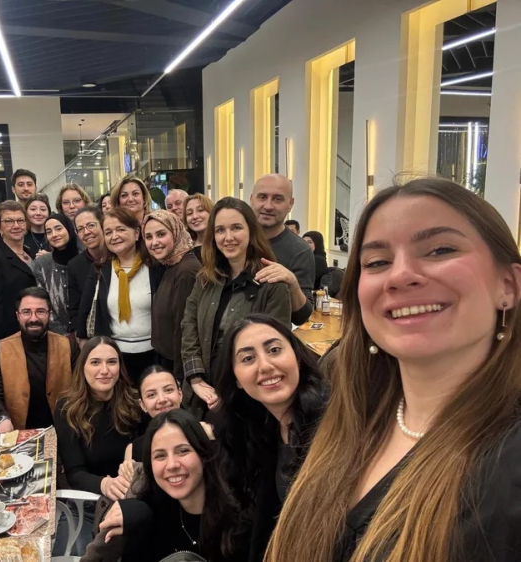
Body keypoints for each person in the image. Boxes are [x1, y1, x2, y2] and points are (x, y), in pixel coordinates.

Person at [267, 178, 521, 562]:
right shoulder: (351, 417)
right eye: (377, 262)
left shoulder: (508, 461)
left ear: (508, 285)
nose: (401, 275)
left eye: (440, 250)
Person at [216, 314, 327, 562]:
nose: (265, 366)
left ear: (297, 357)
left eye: (274, 350)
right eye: (248, 358)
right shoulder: (261, 431)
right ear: (237, 380)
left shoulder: (332, 423)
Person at [181, 197, 291, 418]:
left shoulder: (272, 284)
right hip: (203, 391)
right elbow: (189, 325)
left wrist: (233, 391)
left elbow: (274, 348)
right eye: (220, 230)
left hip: (249, 398)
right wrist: (195, 377)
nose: (228, 237)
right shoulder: (205, 278)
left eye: (236, 228)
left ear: (251, 232)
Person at [98, 409, 245, 562]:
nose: (172, 465)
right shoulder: (149, 516)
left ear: (203, 454)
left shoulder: (241, 515)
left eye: (183, 451)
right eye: (160, 455)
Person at [77, 208, 161, 380]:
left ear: (136, 233)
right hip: (115, 358)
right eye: (108, 232)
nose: (114, 236)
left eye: (120, 229)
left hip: (154, 355)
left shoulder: (155, 266)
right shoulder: (100, 269)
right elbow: (84, 309)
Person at [54, 336, 143, 498]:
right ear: (82, 367)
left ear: (120, 366)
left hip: (136, 489)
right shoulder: (66, 409)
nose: (104, 370)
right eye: (95, 362)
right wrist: (105, 484)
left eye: (111, 362)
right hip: (94, 495)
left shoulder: (136, 402)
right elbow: (74, 474)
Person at [0, 287, 79, 433]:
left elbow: (81, 389)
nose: (33, 318)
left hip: (64, 431)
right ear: (18, 315)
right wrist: (2, 419)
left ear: (49, 314)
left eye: (40, 311)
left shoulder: (69, 345)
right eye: (26, 312)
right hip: (17, 433)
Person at [250, 174, 315, 325]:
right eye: (262, 197)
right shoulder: (236, 240)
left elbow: (302, 317)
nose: (268, 206)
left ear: (290, 204)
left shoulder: (300, 251)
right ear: (252, 199)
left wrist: (292, 282)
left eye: (277, 199)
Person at [143, 210, 200, 381]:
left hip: (177, 368)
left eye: (161, 234)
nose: (154, 242)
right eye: (148, 237)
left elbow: (185, 329)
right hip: (165, 360)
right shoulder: (171, 265)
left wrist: (180, 378)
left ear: (176, 232)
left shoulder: (187, 271)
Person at [0, 201, 36, 345]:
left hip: (35, 330)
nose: (16, 226)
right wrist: (5, 342)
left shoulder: (31, 254)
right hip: (11, 337)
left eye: (20, 220)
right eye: (9, 221)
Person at [31, 213, 79, 334]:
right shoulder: (41, 264)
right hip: (54, 334)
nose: (54, 234)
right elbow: (42, 303)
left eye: (58, 228)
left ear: (69, 229)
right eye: (49, 232)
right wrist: (62, 335)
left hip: (85, 333)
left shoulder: (84, 259)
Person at [68, 207, 109, 334]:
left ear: (102, 224)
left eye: (91, 225)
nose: (86, 232)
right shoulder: (75, 265)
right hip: (93, 334)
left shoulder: (117, 256)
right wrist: (80, 336)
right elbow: (75, 308)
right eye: (80, 229)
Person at [184, 193, 214, 262]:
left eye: (200, 210)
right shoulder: (185, 249)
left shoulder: (222, 244)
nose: (195, 216)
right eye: (189, 213)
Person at [24, 194, 51, 259]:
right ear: (26, 212)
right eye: (33, 209)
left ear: (49, 213)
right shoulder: (21, 237)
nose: (38, 213)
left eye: (43, 209)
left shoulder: (55, 235)